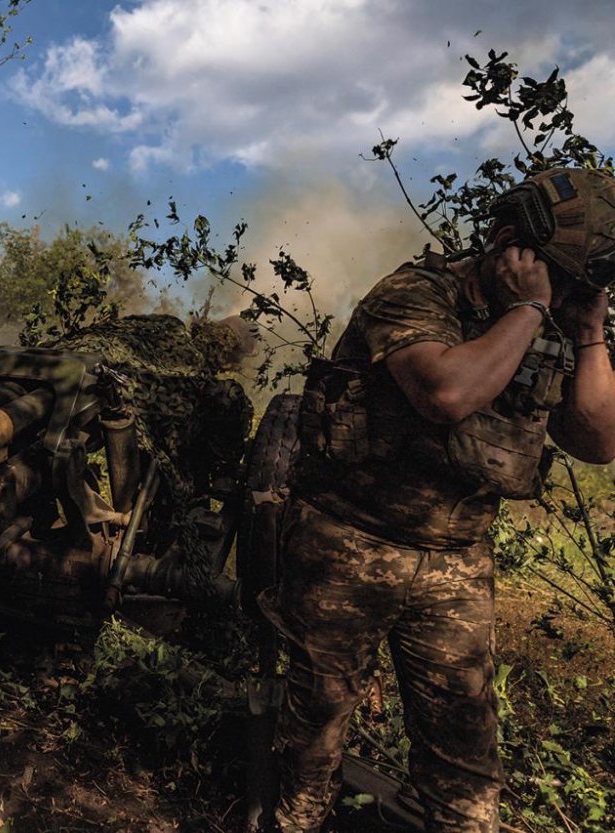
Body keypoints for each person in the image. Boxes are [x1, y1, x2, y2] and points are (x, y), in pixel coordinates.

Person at [261, 167, 615, 832]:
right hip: (350, 542)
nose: (564, 290)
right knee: (314, 735)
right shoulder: (419, 292)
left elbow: (598, 440)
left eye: (579, 282)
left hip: (454, 558)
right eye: (558, 273)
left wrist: (589, 329)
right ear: (509, 242)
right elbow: (445, 393)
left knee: (465, 767)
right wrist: (528, 310)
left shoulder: (557, 316)